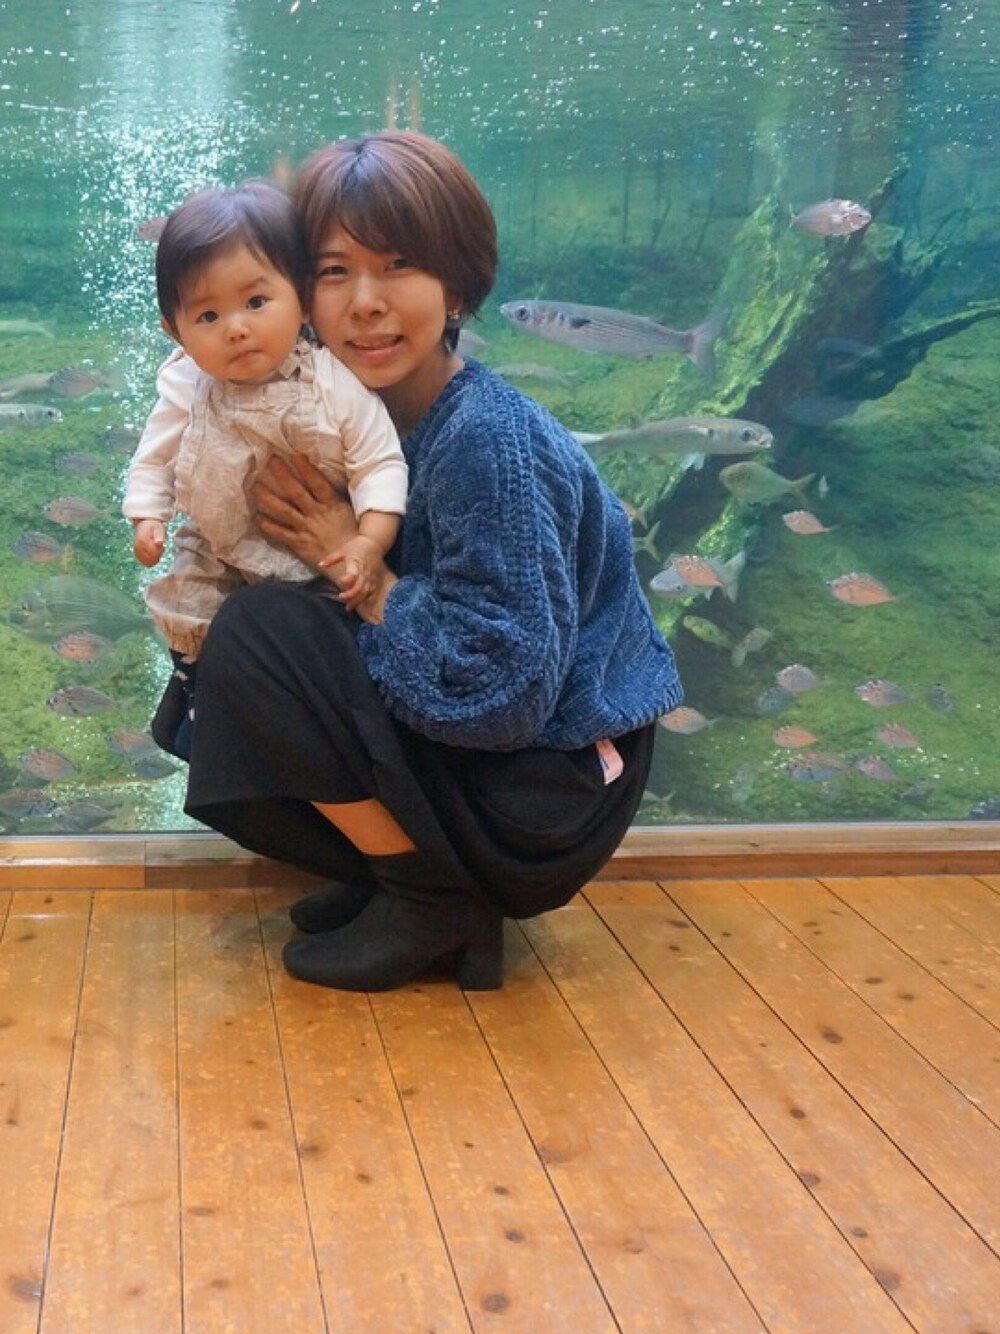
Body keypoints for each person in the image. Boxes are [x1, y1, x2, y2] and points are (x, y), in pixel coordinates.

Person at [167, 131, 683, 992]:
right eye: (334, 271)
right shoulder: (345, 418)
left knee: (260, 637)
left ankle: (433, 898)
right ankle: (398, 876)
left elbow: (505, 697)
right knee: (215, 656)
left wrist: (352, 562)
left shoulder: (484, 439)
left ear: (457, 286)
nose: (366, 303)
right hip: (497, 769)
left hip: (546, 794)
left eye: (399, 265)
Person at [123, 181, 407, 756]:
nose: (236, 327)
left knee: (324, 642)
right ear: (174, 331)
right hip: (217, 544)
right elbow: (155, 455)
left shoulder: (330, 381)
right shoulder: (185, 383)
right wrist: (148, 517)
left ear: (301, 300)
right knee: (189, 604)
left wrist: (368, 543)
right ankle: (203, 692)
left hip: (310, 555)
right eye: (207, 314)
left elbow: (379, 461)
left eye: (256, 303)